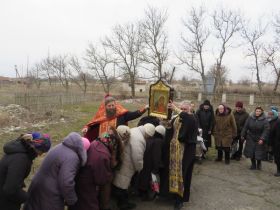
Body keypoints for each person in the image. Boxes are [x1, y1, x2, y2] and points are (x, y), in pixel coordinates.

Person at [24, 132, 88, 210]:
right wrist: (72, 200)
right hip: (49, 195)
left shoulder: (60, 147)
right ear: (82, 151)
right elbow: (66, 182)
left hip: (38, 187)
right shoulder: (72, 158)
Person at [70, 129, 121, 210]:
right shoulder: (102, 155)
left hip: (78, 184)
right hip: (86, 189)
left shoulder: (95, 143)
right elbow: (103, 181)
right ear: (112, 145)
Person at [0, 132, 51, 210]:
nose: (40, 155)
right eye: (42, 151)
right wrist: (26, 196)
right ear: (36, 146)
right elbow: (10, 190)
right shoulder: (21, 159)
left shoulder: (18, 150)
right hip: (5, 203)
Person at [112, 123, 155, 210]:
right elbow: (137, 157)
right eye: (149, 137)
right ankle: (123, 204)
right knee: (122, 184)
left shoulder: (136, 130)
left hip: (124, 159)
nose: (148, 138)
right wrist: (139, 168)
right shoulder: (140, 140)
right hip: (128, 164)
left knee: (119, 181)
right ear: (147, 134)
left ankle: (119, 200)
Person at [168, 101, 198, 210]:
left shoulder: (192, 118)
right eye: (182, 108)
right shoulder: (178, 117)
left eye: (185, 109)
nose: (183, 110)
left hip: (186, 151)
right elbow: (170, 127)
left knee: (183, 174)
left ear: (190, 109)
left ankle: (180, 199)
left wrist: (176, 108)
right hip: (174, 150)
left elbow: (187, 118)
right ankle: (173, 194)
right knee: (173, 172)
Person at [82, 94, 148, 142]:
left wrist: (144, 109)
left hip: (119, 144)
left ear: (115, 105)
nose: (111, 107)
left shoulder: (121, 114)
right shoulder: (101, 116)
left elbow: (133, 114)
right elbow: (93, 124)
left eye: (112, 105)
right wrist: (86, 128)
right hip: (104, 144)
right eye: (109, 106)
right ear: (105, 107)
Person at [138, 125, 166, 201]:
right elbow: (157, 156)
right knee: (150, 180)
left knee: (143, 178)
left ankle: (141, 193)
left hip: (144, 162)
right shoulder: (159, 142)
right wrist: (156, 167)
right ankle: (146, 196)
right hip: (150, 165)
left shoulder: (149, 138)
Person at [241, 106, 270, 170]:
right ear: (255, 111)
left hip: (259, 137)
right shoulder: (250, 118)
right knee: (251, 152)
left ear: (262, 112)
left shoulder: (265, 120)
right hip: (251, 137)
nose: (258, 112)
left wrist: (262, 139)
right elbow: (245, 127)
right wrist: (243, 134)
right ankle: (253, 164)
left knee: (258, 152)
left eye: (259, 111)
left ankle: (259, 164)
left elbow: (266, 130)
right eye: (257, 111)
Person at [267, 110, 280, 176]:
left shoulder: (277, 122)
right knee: (276, 157)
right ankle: (278, 170)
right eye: (269, 114)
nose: (270, 116)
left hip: (277, 143)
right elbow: (271, 133)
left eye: (271, 114)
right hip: (275, 143)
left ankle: (279, 171)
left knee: (278, 157)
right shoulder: (273, 122)